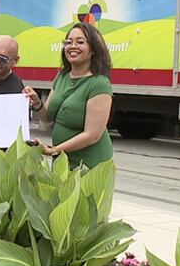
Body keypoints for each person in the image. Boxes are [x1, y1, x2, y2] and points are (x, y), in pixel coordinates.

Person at [24, 22, 113, 168]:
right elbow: (46, 118)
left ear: (93, 49)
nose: (72, 46)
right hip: (62, 160)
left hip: (89, 164)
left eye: (80, 42)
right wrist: (37, 102)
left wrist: (53, 150)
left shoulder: (99, 84)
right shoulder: (62, 76)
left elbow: (92, 135)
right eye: (68, 42)